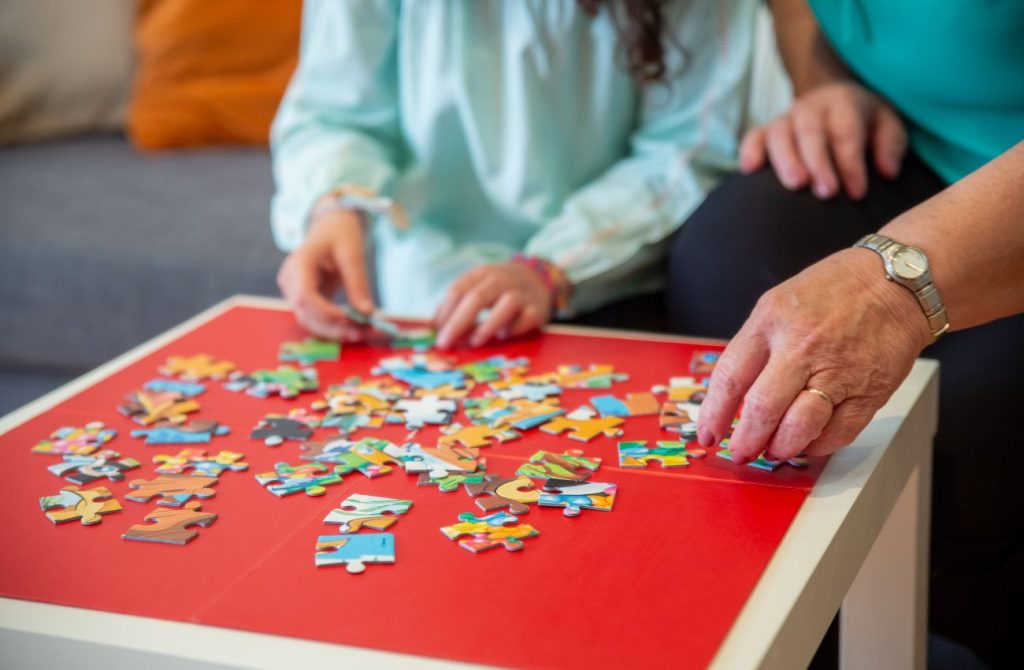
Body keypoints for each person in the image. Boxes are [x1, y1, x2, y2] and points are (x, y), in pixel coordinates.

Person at [667, 0, 1023, 665]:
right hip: (904, 148)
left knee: (961, 417)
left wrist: (886, 291)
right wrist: (827, 85)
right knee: (724, 263)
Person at [271, 0, 756, 349]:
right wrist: (335, 208)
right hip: (427, 303)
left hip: (608, 283)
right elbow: (336, 112)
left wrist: (552, 265)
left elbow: (685, 150)